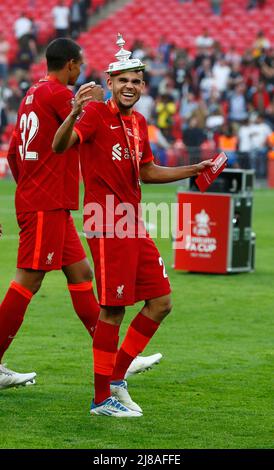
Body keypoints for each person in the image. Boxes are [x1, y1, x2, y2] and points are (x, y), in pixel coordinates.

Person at [53, 34, 214, 417]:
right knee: (113, 310)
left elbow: (147, 171)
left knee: (161, 301)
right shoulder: (93, 114)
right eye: (122, 79)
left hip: (132, 221)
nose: (129, 86)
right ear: (110, 83)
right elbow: (61, 147)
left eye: (135, 80)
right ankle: (100, 399)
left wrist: (193, 169)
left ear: (143, 86)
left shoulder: (140, 122)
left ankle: (117, 378)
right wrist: (74, 112)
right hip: (105, 219)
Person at [0, 38, 162, 392]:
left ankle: (119, 358)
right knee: (28, 280)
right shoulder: (59, 95)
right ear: (71, 65)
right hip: (46, 202)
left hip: (46, 200)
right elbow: (88, 126)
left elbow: (14, 153)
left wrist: (29, 187)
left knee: (81, 272)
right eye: (80, 64)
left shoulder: (31, 94)